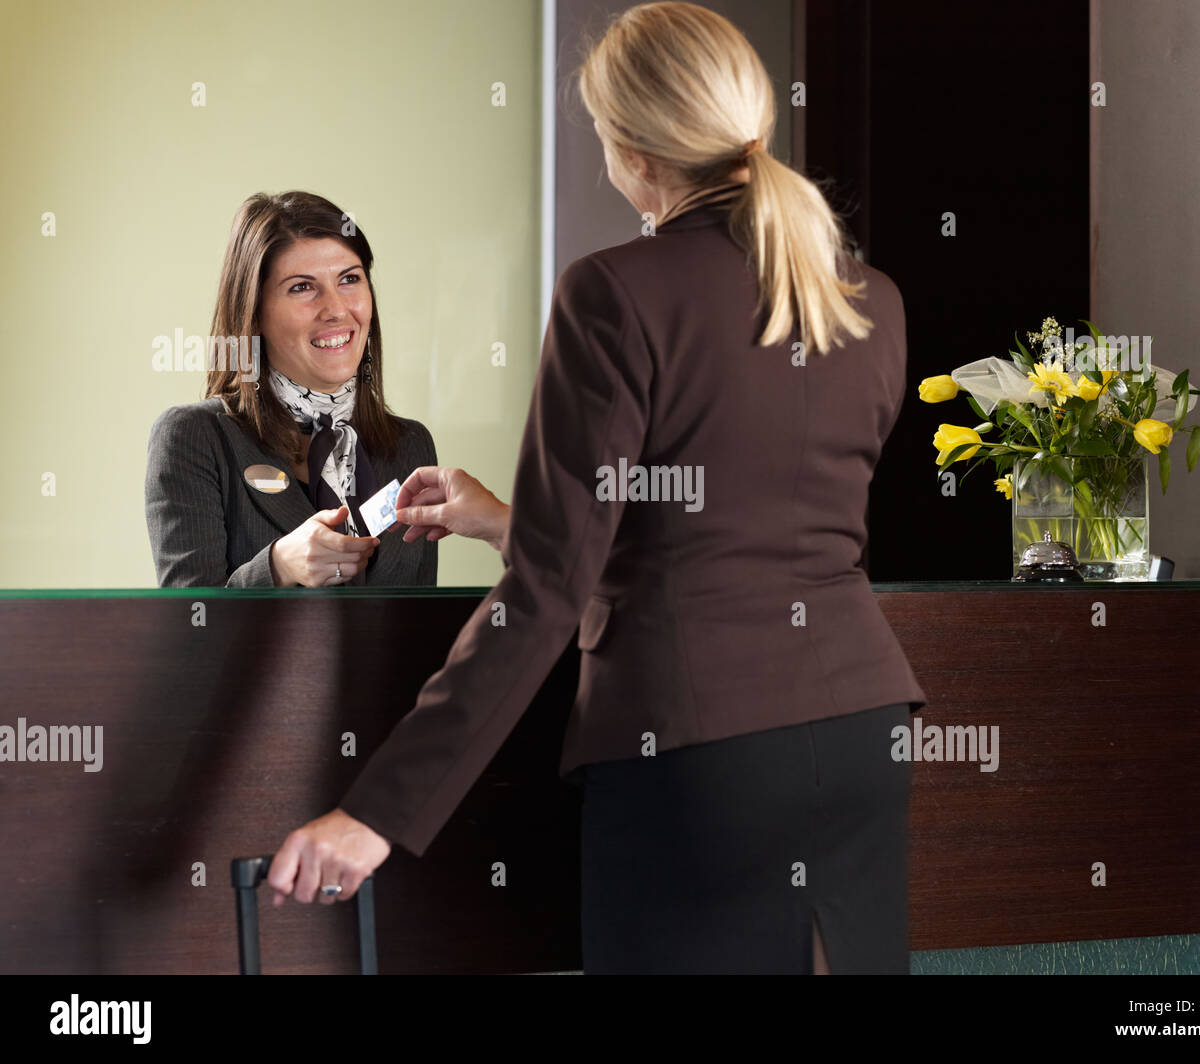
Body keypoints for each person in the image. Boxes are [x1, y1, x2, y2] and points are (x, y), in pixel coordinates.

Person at [267, 1, 928, 974]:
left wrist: (377, 811)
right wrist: (507, 517)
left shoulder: (611, 289)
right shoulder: (868, 295)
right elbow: (740, 513)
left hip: (696, 751)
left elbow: (546, 595)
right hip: (862, 734)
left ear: (633, 150)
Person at [144, 191, 440, 588]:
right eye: (302, 287)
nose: (336, 308)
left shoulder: (411, 445)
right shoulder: (194, 437)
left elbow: (422, 628)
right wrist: (278, 567)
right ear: (254, 312)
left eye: (349, 279)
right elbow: (191, 633)